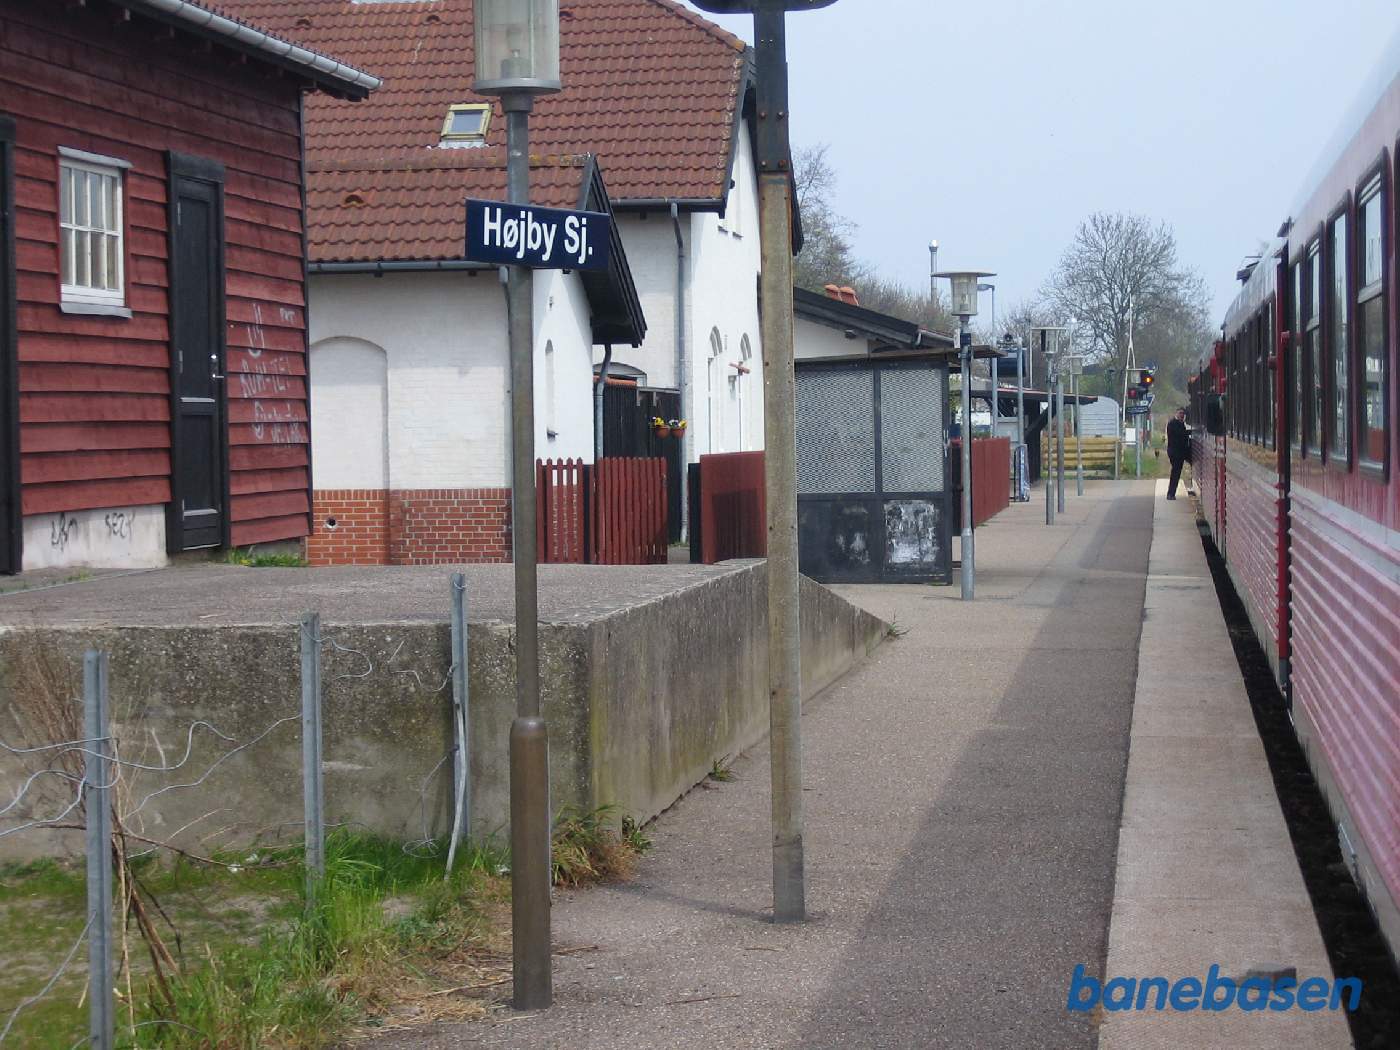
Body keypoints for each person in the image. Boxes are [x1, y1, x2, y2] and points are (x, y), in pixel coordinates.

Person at [1166, 407, 1190, 500]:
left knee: (1176, 472)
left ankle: (1171, 493)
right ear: (1176, 414)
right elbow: (1180, 435)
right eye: (1180, 413)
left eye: (1183, 413)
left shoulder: (1180, 423)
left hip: (1179, 452)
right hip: (1175, 452)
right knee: (1175, 473)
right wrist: (1189, 433)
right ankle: (1170, 494)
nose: (1182, 415)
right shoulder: (1173, 423)